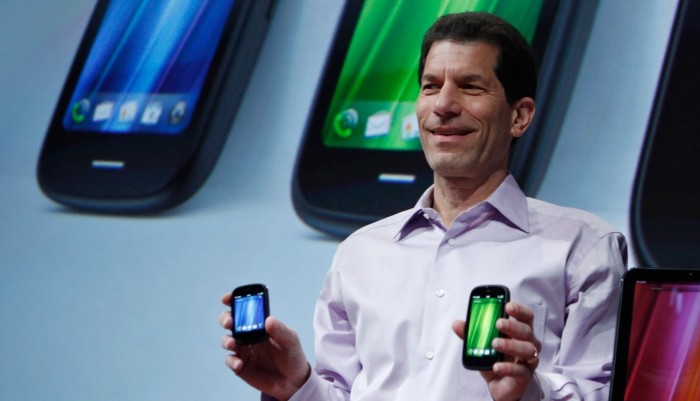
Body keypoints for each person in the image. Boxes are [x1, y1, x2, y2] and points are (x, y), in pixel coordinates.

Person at [220, 12, 627, 401]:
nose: (443, 105)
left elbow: (601, 392)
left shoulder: (583, 247)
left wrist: (528, 392)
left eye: (470, 86)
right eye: (430, 86)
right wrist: (295, 386)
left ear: (519, 116)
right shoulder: (359, 253)